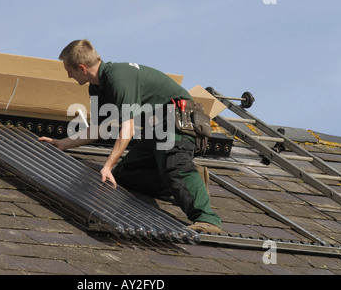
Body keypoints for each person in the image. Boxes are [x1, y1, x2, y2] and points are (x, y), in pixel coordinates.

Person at [39, 39, 222, 234]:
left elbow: (128, 129)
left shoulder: (118, 79)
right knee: (125, 175)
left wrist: (107, 165)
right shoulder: (97, 87)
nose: (69, 76)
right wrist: (62, 144)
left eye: (70, 70)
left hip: (177, 120)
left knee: (176, 166)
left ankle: (207, 220)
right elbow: (100, 128)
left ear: (82, 68)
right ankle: (192, 181)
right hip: (157, 127)